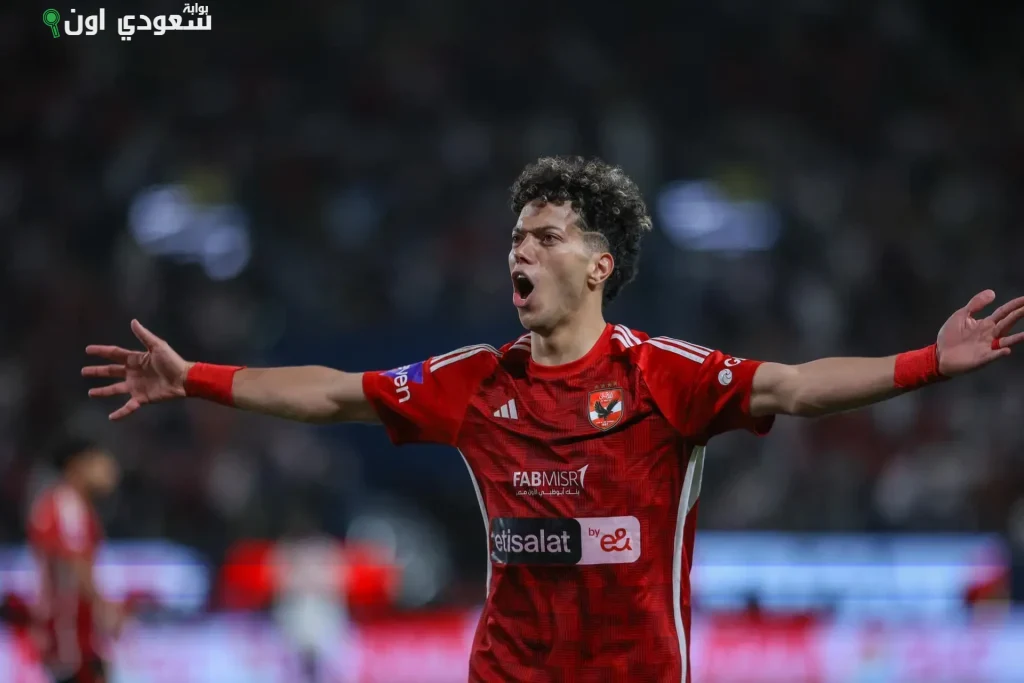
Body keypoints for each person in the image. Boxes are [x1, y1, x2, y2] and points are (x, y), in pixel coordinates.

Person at [82, 156, 1024, 682]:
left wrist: (928, 362)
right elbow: (334, 392)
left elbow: (798, 385)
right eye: (515, 238)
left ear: (600, 265)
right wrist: (195, 377)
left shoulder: (665, 375)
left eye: (545, 237)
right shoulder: (474, 381)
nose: (519, 253)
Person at [27, 436, 123, 683]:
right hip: (70, 635)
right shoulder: (67, 507)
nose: (108, 468)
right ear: (77, 465)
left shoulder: (66, 504)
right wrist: (105, 609)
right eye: (98, 460)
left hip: (72, 632)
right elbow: (75, 563)